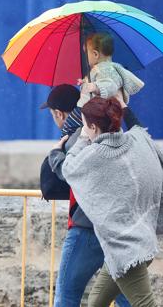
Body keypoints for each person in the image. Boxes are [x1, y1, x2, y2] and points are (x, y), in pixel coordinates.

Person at [50, 97, 163, 307]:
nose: (84, 130)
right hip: (136, 239)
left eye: (85, 126)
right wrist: (123, 105)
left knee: (143, 303)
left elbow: (68, 168)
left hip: (127, 247)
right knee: (97, 300)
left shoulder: (96, 154)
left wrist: (67, 145)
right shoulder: (134, 141)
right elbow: (139, 129)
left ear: (92, 126)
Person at [39, 85, 131, 307]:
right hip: (117, 229)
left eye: (54, 115)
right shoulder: (118, 138)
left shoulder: (76, 141)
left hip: (86, 229)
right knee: (128, 296)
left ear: (59, 114)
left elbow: (59, 178)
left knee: (66, 297)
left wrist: (55, 153)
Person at [77, 32, 145, 107]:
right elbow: (98, 80)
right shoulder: (105, 68)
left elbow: (110, 86)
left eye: (86, 54)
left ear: (95, 54)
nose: (86, 57)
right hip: (91, 109)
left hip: (95, 110)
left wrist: (96, 87)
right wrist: (85, 81)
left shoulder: (105, 69)